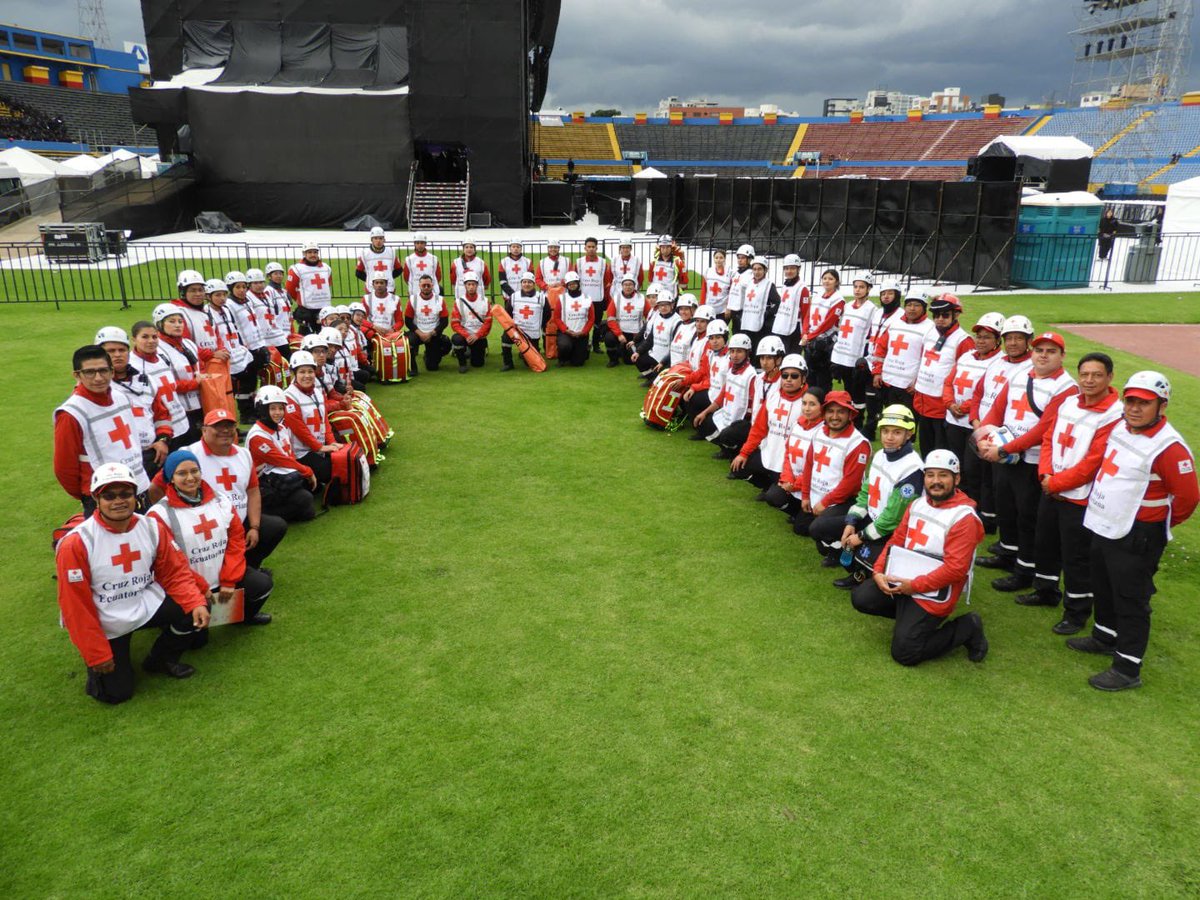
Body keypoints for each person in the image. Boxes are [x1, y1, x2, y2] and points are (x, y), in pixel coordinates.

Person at [1071, 371, 1198, 690]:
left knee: (1131, 598)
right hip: (1105, 523)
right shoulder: (1121, 426)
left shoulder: (1169, 448)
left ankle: (1128, 668)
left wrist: (1153, 525)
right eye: (1130, 401)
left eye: (1144, 403)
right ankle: (1104, 636)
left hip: (1138, 534)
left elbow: (1187, 498)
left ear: (1162, 406)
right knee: (1102, 584)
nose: (1135, 408)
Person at [55, 462, 209, 704]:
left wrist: (195, 602)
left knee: (196, 608)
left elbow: (175, 572)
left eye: (125, 494)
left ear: (135, 496)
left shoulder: (151, 527)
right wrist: (97, 654)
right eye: (109, 495)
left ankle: (160, 659)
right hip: (107, 617)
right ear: (96, 499)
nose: (118, 501)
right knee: (116, 693)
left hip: (143, 601)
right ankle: (102, 665)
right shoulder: (76, 544)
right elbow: (75, 606)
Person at [850, 450, 989, 666]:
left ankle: (967, 627)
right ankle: (910, 620)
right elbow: (896, 540)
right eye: (930, 475)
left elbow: (955, 569)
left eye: (943, 475)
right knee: (862, 597)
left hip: (934, 590)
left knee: (904, 653)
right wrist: (878, 571)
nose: (935, 481)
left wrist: (913, 586)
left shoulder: (964, 518)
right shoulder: (917, 504)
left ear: (956, 479)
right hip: (905, 579)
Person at [1022, 352, 1123, 634]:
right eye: (1085, 374)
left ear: (1110, 377)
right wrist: (1046, 474)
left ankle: (1076, 612)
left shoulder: (1114, 414)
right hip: (1052, 485)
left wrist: (1056, 483)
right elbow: (1048, 439)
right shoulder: (1069, 403)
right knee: (1045, 542)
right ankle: (1045, 590)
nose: (1089, 380)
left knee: (1075, 557)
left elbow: (1094, 461)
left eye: (1097, 375)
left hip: (1080, 497)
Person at [977, 331, 1078, 594]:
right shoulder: (1021, 375)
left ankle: (1024, 570)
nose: (1043, 355)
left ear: (1062, 356)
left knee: (1028, 516)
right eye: (1039, 350)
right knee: (1006, 508)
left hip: (1032, 461)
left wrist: (1003, 449)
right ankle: (1007, 553)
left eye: (1051, 351)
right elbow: (997, 409)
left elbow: (1044, 430)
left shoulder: (1066, 388)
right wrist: (984, 437)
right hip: (1005, 453)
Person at [149, 449, 273, 635]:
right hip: (188, 583)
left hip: (222, 576)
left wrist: (229, 579)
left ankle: (239, 617)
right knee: (196, 641)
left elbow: (236, 539)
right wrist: (201, 587)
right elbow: (168, 564)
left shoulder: (220, 499)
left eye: (194, 471)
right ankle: (177, 627)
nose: (190, 478)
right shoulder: (159, 514)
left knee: (262, 585)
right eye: (181, 473)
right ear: (170, 478)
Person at [150, 408, 287, 571]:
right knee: (259, 582)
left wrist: (254, 527)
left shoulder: (244, 454)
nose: (225, 431)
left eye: (229, 426)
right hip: (207, 525)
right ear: (204, 430)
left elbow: (252, 490)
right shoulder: (188, 454)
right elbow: (156, 487)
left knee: (275, 527)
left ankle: (248, 566)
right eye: (218, 426)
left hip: (238, 521)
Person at [831, 404, 924, 589]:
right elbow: (867, 492)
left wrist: (861, 536)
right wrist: (851, 521)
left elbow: (892, 519)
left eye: (897, 432)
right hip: (874, 518)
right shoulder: (881, 454)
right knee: (820, 528)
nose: (889, 437)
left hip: (893, 531)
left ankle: (863, 572)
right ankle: (859, 566)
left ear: (909, 434)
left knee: (863, 593)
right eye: (885, 431)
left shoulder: (912, 469)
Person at [55, 345, 154, 514]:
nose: (98, 378)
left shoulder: (120, 397)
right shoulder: (71, 414)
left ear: (112, 371)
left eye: (103, 370)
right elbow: (64, 467)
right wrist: (88, 496)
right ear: (77, 375)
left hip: (138, 486)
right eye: (89, 372)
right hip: (104, 497)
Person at [970, 314, 1034, 547]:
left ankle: (1013, 546)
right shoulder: (997, 362)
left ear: (1029, 340)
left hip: (1012, 442)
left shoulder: (1032, 367)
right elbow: (979, 393)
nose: (1013, 343)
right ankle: (1000, 535)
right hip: (987, 433)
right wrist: (977, 424)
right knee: (989, 483)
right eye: (1009, 338)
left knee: (1015, 498)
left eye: (1019, 338)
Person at [793, 390, 871, 561]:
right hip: (819, 495)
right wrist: (805, 495)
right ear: (824, 413)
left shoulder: (858, 444)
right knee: (800, 527)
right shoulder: (819, 433)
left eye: (840, 412)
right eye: (830, 411)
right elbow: (809, 465)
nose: (835, 417)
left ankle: (852, 532)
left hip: (845, 500)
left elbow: (850, 484)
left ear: (850, 414)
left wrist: (824, 503)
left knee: (816, 529)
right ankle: (835, 540)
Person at [944, 312, 1004, 523]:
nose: (981, 341)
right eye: (979, 336)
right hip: (953, 420)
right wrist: (950, 403)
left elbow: (988, 393)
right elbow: (949, 382)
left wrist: (964, 407)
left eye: (987, 337)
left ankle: (978, 510)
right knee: (957, 465)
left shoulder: (999, 362)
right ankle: (960, 504)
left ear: (998, 340)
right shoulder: (966, 356)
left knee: (974, 471)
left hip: (977, 425)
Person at [95, 325, 173, 480]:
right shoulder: (94, 389)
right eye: (111, 351)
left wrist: (163, 440)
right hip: (116, 463)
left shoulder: (146, 380)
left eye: (122, 350)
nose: (117, 355)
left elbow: (162, 415)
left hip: (151, 455)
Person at [730, 353, 809, 495]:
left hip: (791, 463)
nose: (788, 379)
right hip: (769, 452)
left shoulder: (808, 403)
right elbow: (758, 429)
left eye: (794, 376)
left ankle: (786, 500)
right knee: (738, 468)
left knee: (776, 498)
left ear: (803, 378)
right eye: (785, 375)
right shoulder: (773, 396)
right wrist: (743, 453)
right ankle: (767, 486)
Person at [913, 293, 975, 455]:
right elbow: (922, 359)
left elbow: (967, 375)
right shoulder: (930, 332)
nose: (940, 319)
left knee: (940, 449)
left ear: (956, 315)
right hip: (922, 400)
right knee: (925, 445)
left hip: (942, 405)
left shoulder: (963, 341)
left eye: (945, 315)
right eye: (936, 315)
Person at [246, 385, 317, 521]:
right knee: (305, 501)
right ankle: (262, 513)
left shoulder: (282, 428)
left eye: (280, 408)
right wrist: (307, 471)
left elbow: (289, 456)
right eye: (272, 408)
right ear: (262, 409)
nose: (278, 412)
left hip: (280, 476)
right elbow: (281, 460)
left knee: (308, 498)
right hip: (262, 483)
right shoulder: (257, 436)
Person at [128, 320, 194, 450]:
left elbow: (173, 386)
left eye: (154, 337)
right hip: (161, 430)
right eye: (145, 337)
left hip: (182, 422)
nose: (151, 341)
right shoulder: (132, 366)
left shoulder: (163, 357)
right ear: (134, 339)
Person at [764, 386, 825, 517]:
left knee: (802, 527)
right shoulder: (797, 424)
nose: (807, 408)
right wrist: (787, 479)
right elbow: (788, 454)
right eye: (804, 403)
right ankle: (795, 513)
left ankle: (803, 516)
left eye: (812, 404)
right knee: (773, 496)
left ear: (822, 406)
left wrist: (795, 484)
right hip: (792, 481)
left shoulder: (824, 431)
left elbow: (819, 467)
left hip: (812, 487)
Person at [282, 350, 340, 486]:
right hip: (300, 453)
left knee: (342, 457)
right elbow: (300, 430)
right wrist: (321, 447)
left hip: (318, 446)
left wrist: (332, 443)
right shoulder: (289, 397)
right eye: (302, 372)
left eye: (310, 371)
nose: (307, 376)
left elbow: (324, 421)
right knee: (331, 470)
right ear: (294, 374)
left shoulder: (318, 393)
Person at [871, 288, 933, 411]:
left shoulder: (930, 328)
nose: (912, 308)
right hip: (888, 382)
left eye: (917, 305)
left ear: (924, 307)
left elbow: (929, 360)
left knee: (909, 420)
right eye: (909, 305)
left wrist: (918, 383)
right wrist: (877, 372)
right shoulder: (895, 324)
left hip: (909, 387)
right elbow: (881, 349)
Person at [829, 275, 879, 419]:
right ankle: (848, 417)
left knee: (858, 393)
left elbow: (872, 335)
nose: (857, 290)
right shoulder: (847, 306)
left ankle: (858, 420)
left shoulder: (872, 309)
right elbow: (842, 329)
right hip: (843, 356)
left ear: (868, 289)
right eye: (855, 286)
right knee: (848, 390)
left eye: (861, 287)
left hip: (858, 358)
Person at [152, 303, 205, 437]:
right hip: (179, 409)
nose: (178, 325)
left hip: (201, 403)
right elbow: (165, 385)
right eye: (172, 321)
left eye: (180, 321)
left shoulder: (189, 344)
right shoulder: (157, 350)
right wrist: (195, 383)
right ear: (159, 324)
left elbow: (201, 368)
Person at [694, 333, 756, 448]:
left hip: (743, 420)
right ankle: (727, 447)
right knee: (703, 425)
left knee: (726, 435)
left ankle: (735, 449)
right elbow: (722, 396)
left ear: (747, 353)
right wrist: (705, 412)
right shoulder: (731, 370)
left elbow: (754, 407)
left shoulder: (751, 375)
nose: (735, 355)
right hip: (727, 413)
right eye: (732, 351)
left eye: (739, 351)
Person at [799, 269, 845, 389]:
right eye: (825, 278)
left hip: (825, 344)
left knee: (823, 379)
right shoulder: (817, 296)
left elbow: (828, 323)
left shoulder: (838, 300)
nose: (827, 281)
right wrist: (804, 333)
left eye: (830, 279)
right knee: (809, 377)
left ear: (836, 282)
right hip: (810, 342)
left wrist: (809, 337)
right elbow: (807, 316)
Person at [170, 269, 225, 366]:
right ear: (183, 292)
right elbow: (183, 344)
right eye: (193, 290)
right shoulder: (178, 314)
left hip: (215, 364)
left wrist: (222, 350)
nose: (198, 294)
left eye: (200, 290)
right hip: (197, 367)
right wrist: (212, 354)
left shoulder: (205, 312)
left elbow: (217, 336)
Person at [682, 319, 729, 426]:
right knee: (689, 397)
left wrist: (694, 387)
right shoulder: (711, 354)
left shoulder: (729, 358)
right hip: (712, 392)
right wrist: (694, 387)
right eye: (711, 338)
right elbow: (709, 378)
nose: (715, 341)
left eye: (718, 337)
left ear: (725, 337)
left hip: (723, 398)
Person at [503, 272, 551, 371]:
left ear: (533, 284)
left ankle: (525, 352)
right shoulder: (514, 296)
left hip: (532, 333)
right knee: (505, 338)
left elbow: (547, 314)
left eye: (529, 282)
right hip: (517, 331)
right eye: (524, 282)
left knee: (529, 363)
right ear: (521, 283)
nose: (526, 284)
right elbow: (508, 313)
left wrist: (539, 325)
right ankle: (508, 363)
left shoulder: (541, 298)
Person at [404, 274, 451, 374]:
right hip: (417, 332)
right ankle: (412, 367)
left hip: (433, 333)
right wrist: (420, 334)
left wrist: (431, 333)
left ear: (432, 286)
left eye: (428, 285)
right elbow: (408, 321)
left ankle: (429, 355)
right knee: (407, 342)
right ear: (419, 286)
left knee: (433, 366)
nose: (426, 287)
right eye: (423, 285)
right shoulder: (413, 299)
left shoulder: (439, 299)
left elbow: (444, 321)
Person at [285, 239, 334, 334]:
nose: (313, 255)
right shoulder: (296, 269)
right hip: (306, 311)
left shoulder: (326, 268)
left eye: (315, 252)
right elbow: (290, 290)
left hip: (324, 309)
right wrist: (301, 301)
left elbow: (328, 284)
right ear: (304, 254)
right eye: (309, 252)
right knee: (305, 337)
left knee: (326, 335)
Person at [575, 236, 613, 353]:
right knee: (583, 322)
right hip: (583, 299)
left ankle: (596, 345)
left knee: (597, 323)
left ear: (597, 248)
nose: (591, 249)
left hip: (598, 298)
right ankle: (584, 344)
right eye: (589, 247)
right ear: (585, 248)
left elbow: (607, 281)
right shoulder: (579, 262)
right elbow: (575, 280)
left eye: (593, 247)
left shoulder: (603, 262)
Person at [631, 291, 678, 379]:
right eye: (661, 305)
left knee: (659, 380)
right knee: (637, 357)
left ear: (672, 305)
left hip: (668, 359)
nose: (663, 307)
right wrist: (638, 352)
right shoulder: (657, 318)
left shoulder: (677, 321)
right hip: (655, 354)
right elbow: (650, 339)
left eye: (666, 305)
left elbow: (675, 348)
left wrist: (664, 362)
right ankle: (650, 377)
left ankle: (654, 378)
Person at [451, 274, 493, 373]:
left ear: (477, 285)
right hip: (464, 335)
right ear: (465, 286)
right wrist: (466, 335)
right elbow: (455, 323)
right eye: (468, 284)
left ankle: (475, 349)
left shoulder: (485, 301)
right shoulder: (459, 302)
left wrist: (477, 335)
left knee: (478, 364)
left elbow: (488, 322)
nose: (471, 287)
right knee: (456, 339)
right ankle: (462, 363)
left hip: (478, 335)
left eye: (473, 284)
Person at [604, 275, 649, 367]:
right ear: (622, 286)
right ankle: (613, 359)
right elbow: (610, 318)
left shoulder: (641, 298)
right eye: (625, 284)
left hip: (636, 334)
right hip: (621, 332)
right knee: (609, 337)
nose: (628, 287)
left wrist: (642, 333)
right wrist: (619, 334)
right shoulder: (616, 298)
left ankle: (622, 350)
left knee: (629, 361)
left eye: (630, 284)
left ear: (634, 286)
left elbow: (649, 316)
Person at [552, 271, 594, 367]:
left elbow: (591, 318)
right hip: (566, 333)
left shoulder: (586, 298)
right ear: (567, 285)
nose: (572, 285)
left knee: (578, 363)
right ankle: (562, 359)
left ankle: (584, 349)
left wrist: (583, 332)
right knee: (564, 346)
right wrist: (566, 330)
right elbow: (556, 317)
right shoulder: (562, 298)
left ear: (578, 284)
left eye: (574, 283)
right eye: (570, 284)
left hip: (581, 333)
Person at [737, 258, 780, 352]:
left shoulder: (769, 285)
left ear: (765, 270)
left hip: (762, 325)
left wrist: (767, 313)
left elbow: (777, 303)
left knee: (758, 349)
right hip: (748, 321)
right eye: (754, 269)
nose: (757, 272)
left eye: (760, 269)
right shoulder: (749, 283)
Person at [771, 254, 808, 351]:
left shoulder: (802, 288)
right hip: (782, 325)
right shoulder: (785, 285)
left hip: (794, 328)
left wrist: (804, 332)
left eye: (792, 268)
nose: (789, 271)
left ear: (798, 269)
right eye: (786, 268)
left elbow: (806, 313)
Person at [356, 226, 402, 293]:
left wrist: (388, 278)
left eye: (380, 238)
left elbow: (399, 269)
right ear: (371, 240)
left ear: (384, 239)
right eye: (375, 238)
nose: (378, 241)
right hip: (371, 289)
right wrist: (371, 280)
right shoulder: (364, 253)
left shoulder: (391, 252)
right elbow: (358, 273)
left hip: (389, 288)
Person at [647, 233, 687, 300]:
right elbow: (650, 279)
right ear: (659, 248)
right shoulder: (653, 262)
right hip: (656, 295)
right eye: (663, 247)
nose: (665, 250)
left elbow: (683, 280)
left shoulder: (677, 262)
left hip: (671, 296)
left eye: (668, 247)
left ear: (671, 248)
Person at [402, 233, 443, 299]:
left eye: (422, 243)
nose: (419, 245)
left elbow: (438, 276)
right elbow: (406, 277)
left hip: (431, 291)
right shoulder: (409, 259)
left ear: (425, 244)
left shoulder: (433, 258)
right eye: (417, 243)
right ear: (414, 244)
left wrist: (428, 286)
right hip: (415, 291)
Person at [364, 271, 404, 337]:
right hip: (372, 332)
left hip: (390, 333)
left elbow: (400, 321)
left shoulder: (395, 299)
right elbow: (362, 319)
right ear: (373, 285)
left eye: (381, 283)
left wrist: (392, 330)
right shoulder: (366, 299)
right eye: (376, 283)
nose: (379, 285)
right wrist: (374, 327)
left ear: (386, 284)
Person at [667, 294, 700, 367]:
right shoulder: (679, 325)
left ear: (694, 310)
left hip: (685, 369)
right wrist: (663, 362)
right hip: (673, 367)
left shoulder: (696, 328)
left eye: (686, 309)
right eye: (681, 309)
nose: (683, 312)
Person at [702, 249, 732, 321]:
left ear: (724, 259)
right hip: (709, 308)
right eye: (716, 258)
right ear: (714, 259)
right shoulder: (708, 271)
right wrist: (702, 305)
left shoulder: (730, 273)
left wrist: (728, 308)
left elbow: (731, 292)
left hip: (723, 310)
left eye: (721, 258)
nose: (718, 260)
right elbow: (704, 290)